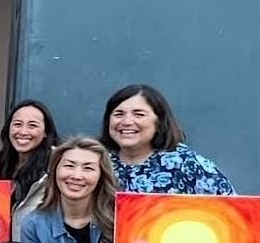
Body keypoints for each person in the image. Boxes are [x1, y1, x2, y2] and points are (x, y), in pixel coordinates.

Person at [100, 83, 233, 195]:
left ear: (159, 122)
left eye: (139, 114)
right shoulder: (97, 161)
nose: (127, 121)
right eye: (119, 114)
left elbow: (231, 209)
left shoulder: (185, 163)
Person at [0, 100, 60, 238]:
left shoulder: (58, 166)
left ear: (46, 132)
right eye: (17, 124)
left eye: (32, 125)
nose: (23, 132)